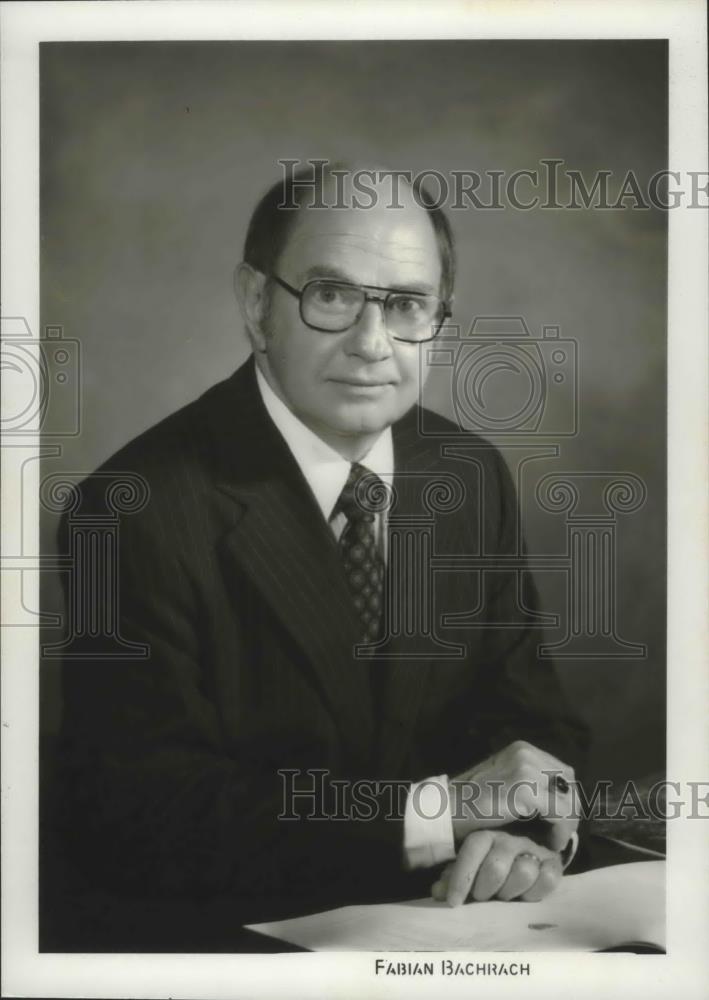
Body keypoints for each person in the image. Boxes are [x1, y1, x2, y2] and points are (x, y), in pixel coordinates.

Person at [55, 164, 588, 936]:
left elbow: (534, 721)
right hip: (230, 948)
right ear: (254, 302)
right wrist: (440, 813)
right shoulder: (134, 507)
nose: (372, 344)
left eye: (406, 305)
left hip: (462, 927)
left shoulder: (467, 473)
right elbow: (140, 817)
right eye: (331, 295)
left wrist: (523, 835)